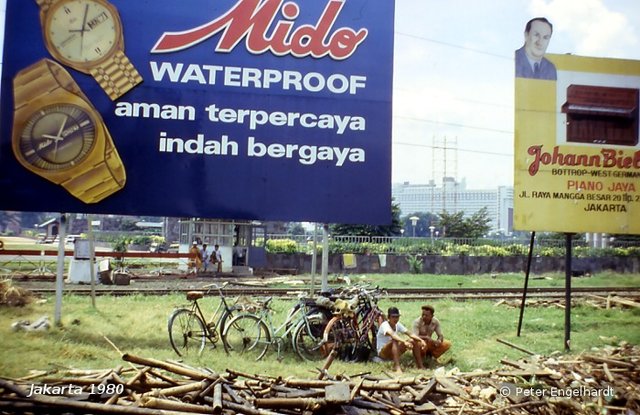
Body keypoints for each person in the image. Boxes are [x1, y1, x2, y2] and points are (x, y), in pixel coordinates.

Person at [376, 307, 427, 374]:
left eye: (397, 317)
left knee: (413, 340)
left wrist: (421, 340)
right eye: (393, 317)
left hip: (393, 351)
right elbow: (393, 335)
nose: (395, 319)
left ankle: (420, 365)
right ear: (389, 317)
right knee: (394, 340)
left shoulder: (398, 324)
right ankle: (397, 367)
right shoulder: (384, 325)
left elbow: (410, 334)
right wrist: (404, 342)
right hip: (383, 353)